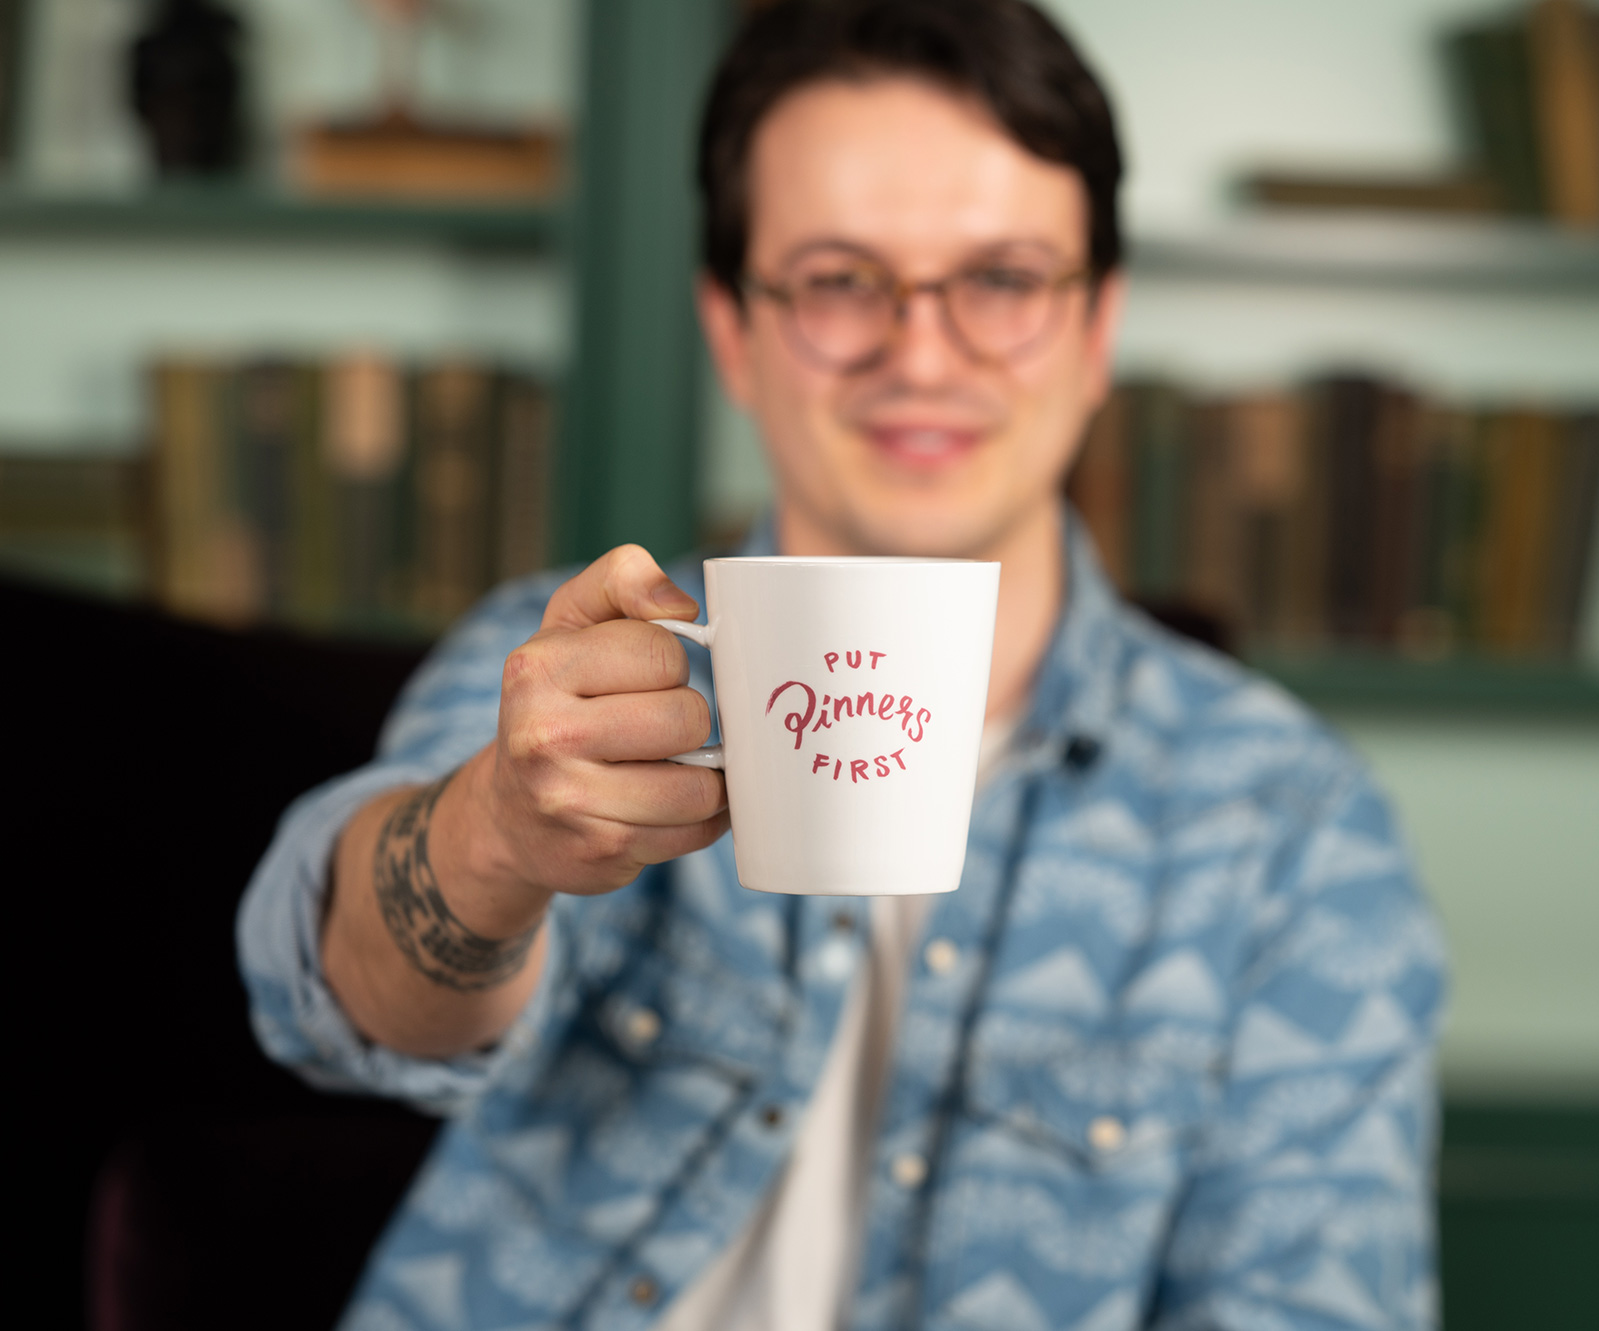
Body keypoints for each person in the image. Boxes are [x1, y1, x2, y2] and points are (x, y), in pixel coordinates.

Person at [238, 2, 1446, 1327]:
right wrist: (488, 837)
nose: (921, 356)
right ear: (731, 330)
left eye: (1001, 281)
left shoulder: (1289, 826)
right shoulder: (566, 668)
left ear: (1097, 328)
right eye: (835, 280)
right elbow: (334, 1003)